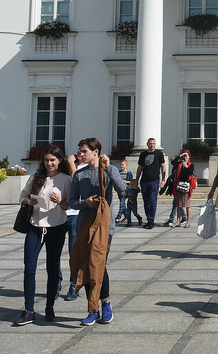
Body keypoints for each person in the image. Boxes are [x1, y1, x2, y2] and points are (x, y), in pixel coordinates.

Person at [70, 137, 127, 326]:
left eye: (84, 151)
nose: (80, 154)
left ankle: (106, 303)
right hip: (84, 225)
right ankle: (92, 309)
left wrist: (109, 167)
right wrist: (85, 203)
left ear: (96, 152)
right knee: (86, 265)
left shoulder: (108, 171)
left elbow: (123, 189)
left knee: (99, 265)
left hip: (104, 227)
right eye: (80, 151)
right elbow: (72, 202)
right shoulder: (79, 174)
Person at [14, 145, 72, 326]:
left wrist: (60, 201)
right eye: (46, 160)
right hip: (35, 227)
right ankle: (29, 309)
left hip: (56, 227)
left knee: (52, 268)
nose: (49, 163)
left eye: (52, 160)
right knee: (29, 268)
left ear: (59, 161)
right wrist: (26, 200)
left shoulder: (66, 180)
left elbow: (69, 206)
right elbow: (22, 196)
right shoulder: (36, 178)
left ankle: (49, 306)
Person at [135, 137, 166, 229]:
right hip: (144, 181)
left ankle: (151, 220)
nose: (151, 145)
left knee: (152, 201)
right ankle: (149, 219)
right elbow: (140, 168)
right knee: (146, 202)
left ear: (155, 144)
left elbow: (163, 167)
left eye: (153, 143)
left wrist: (163, 180)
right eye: (150, 143)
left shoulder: (159, 154)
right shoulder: (143, 154)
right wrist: (136, 180)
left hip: (154, 181)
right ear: (147, 144)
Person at [63, 151, 81, 301]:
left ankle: (74, 285)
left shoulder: (85, 168)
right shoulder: (66, 168)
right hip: (59, 215)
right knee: (54, 253)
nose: (80, 154)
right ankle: (55, 285)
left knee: (74, 254)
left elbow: (77, 182)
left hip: (75, 215)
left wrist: (70, 164)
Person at [167, 150, 195, 227]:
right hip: (179, 187)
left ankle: (188, 222)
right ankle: (178, 221)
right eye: (184, 156)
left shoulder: (191, 165)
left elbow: (190, 172)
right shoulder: (179, 165)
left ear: (189, 157)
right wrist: (181, 155)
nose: (185, 158)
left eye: (186, 156)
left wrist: (186, 165)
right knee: (179, 205)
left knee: (187, 205)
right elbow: (173, 162)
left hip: (187, 188)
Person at [115, 158, 133, 226]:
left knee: (122, 204)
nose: (121, 166)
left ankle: (118, 217)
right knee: (122, 204)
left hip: (125, 190)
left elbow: (131, 181)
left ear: (126, 165)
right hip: (119, 190)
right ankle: (126, 216)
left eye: (122, 165)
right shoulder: (119, 172)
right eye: (120, 165)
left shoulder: (128, 173)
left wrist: (125, 182)